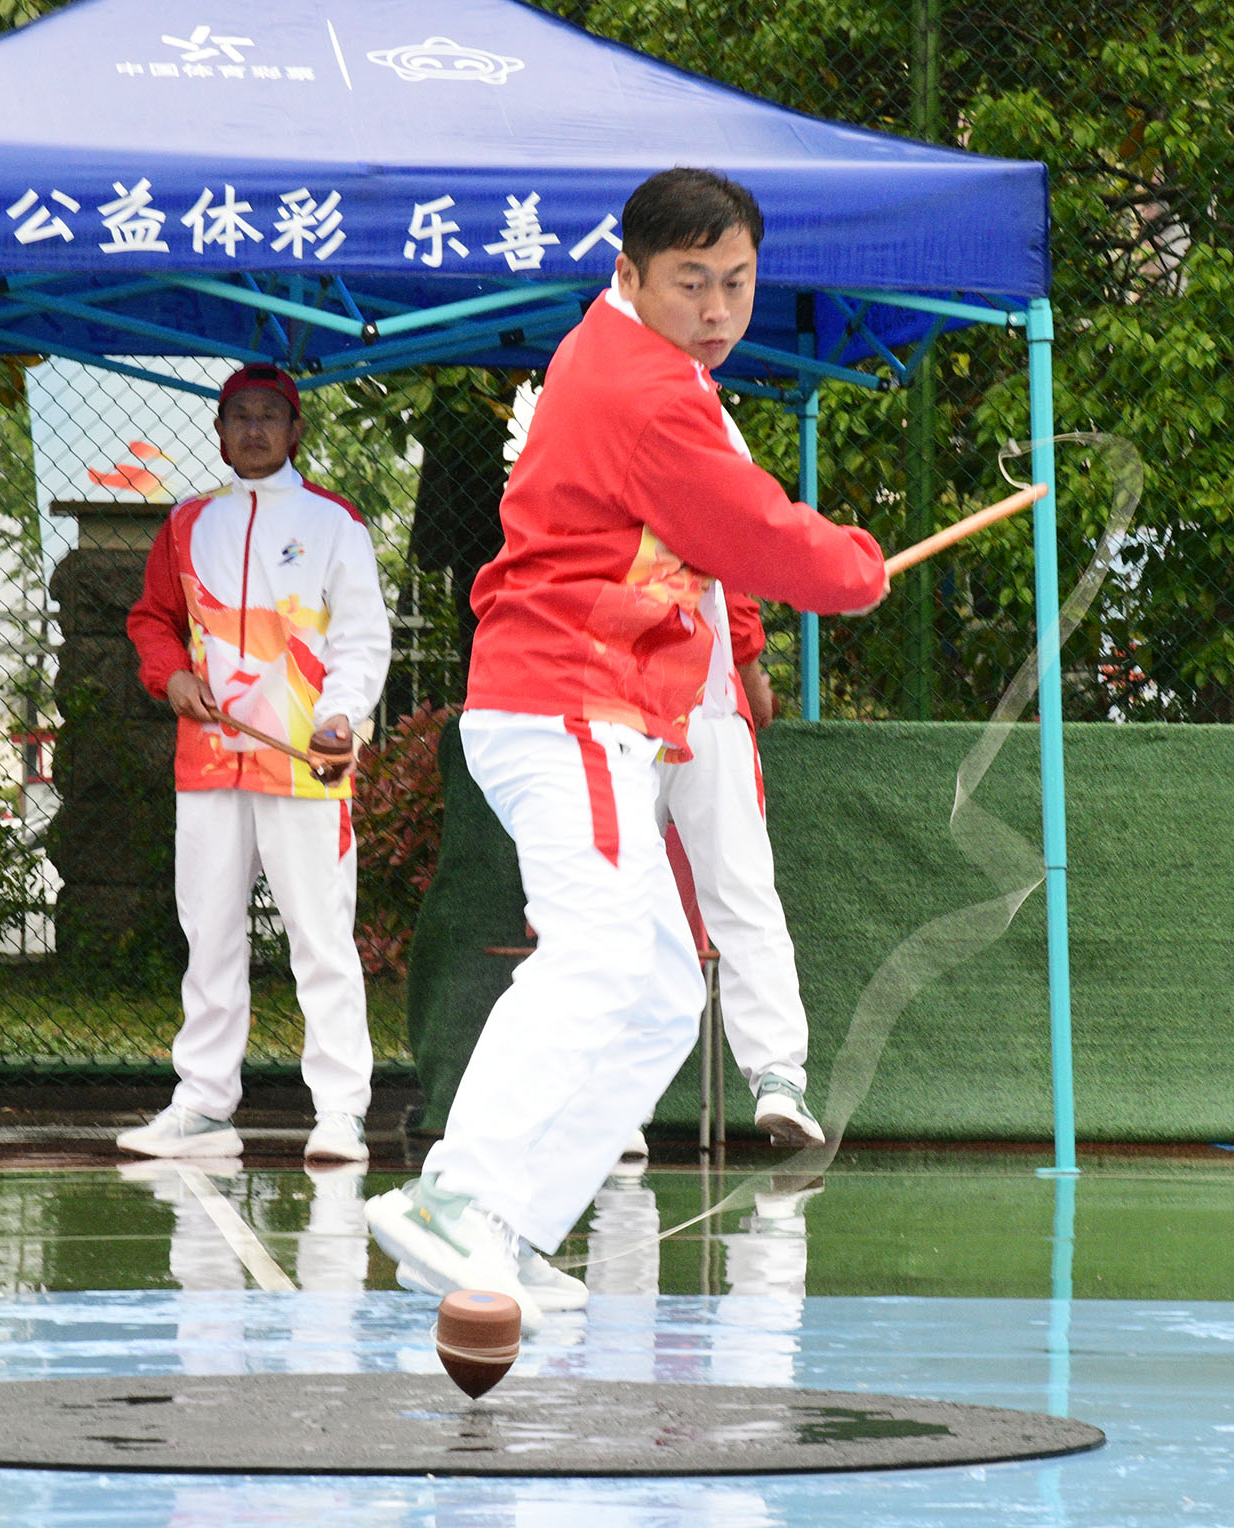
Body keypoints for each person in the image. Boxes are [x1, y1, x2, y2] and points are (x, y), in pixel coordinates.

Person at [365, 169, 888, 1327]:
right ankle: (458, 1196)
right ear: (630, 274)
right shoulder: (645, 389)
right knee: (601, 951)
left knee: (655, 991)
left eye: (736, 282)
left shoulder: (619, 360)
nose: (717, 307)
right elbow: (752, 530)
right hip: (568, 703)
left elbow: (713, 537)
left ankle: (499, 1224)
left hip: (580, 705)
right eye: (690, 281)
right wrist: (852, 567)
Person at [120, 363, 391, 1165]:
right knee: (208, 935)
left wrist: (341, 715)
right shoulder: (186, 522)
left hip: (306, 762)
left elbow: (361, 637)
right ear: (219, 430)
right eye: (239, 415)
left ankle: (340, 1112)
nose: (254, 429)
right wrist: (170, 677)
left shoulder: (335, 522)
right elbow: (153, 619)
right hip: (209, 760)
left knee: (320, 938)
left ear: (296, 430)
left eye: (270, 415)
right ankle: (203, 1107)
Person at [619, 579, 826, 1160]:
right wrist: (752, 678)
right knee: (742, 897)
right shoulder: (695, 509)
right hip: (700, 704)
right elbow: (730, 583)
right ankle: (778, 1076)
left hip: (618, 710)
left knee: (614, 903)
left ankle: (618, 1109)